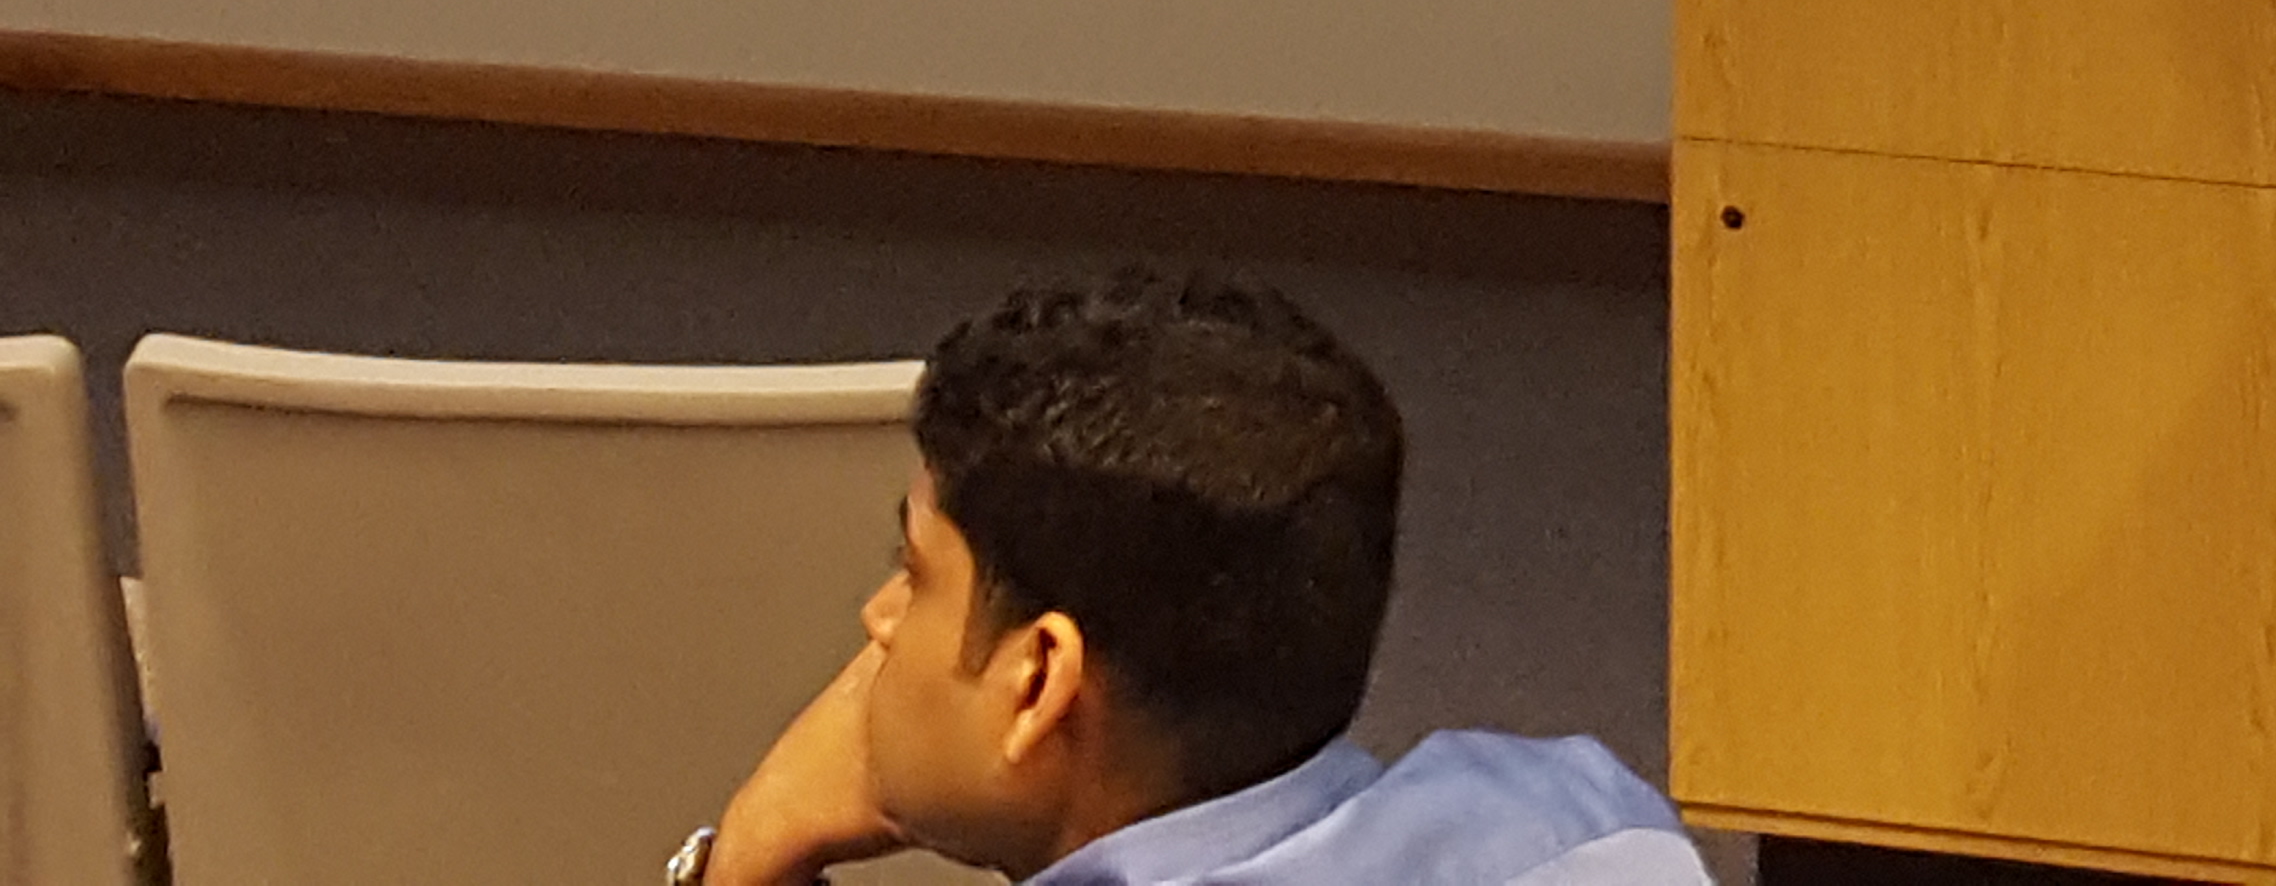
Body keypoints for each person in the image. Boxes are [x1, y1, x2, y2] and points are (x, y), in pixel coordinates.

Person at [683, 269, 1705, 886]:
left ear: (1038, 680)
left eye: (914, 576)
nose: (878, 622)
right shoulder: (1584, 821)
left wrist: (748, 852)